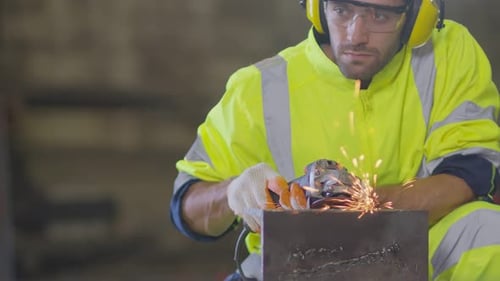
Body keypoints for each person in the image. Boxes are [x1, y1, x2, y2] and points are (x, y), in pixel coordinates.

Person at [170, 0, 500, 280]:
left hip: (420, 254)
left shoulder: (445, 54)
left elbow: (470, 172)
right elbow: (186, 208)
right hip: (296, 269)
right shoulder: (258, 88)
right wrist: (231, 193)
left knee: (488, 229)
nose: (356, 35)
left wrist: (362, 207)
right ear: (317, 7)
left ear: (416, 19)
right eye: (341, 9)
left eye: (380, 16)